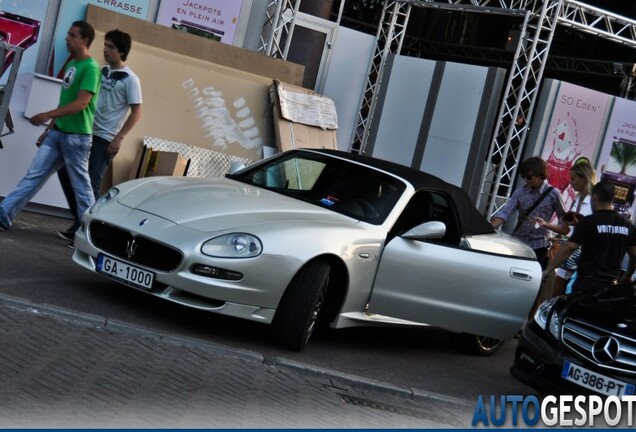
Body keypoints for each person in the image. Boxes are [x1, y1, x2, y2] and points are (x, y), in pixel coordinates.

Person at [0, 21, 101, 236]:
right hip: (58, 134)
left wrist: (47, 116)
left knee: (82, 189)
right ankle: (4, 214)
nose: (67, 38)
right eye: (68, 34)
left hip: (77, 138)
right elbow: (66, 102)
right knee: (33, 176)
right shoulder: (73, 65)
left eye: (73, 35)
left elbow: (82, 103)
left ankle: (91, 233)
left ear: (85, 40)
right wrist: (49, 129)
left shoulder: (91, 68)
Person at [57, 29, 142, 240]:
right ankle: (80, 222)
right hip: (84, 131)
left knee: (91, 182)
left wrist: (119, 137)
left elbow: (137, 112)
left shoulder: (131, 79)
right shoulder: (101, 71)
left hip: (105, 137)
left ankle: (91, 233)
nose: (106, 50)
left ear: (122, 52)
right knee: (65, 173)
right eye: (105, 45)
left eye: (111, 47)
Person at [543, 181, 636, 294]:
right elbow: (634, 255)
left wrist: (548, 270)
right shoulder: (627, 225)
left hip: (586, 284)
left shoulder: (589, 222)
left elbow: (569, 248)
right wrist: (628, 275)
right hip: (609, 286)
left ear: (595, 198)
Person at [534, 158, 597, 296]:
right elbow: (566, 228)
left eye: (573, 179)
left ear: (584, 179)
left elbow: (595, 229)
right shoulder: (577, 199)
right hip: (570, 252)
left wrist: (578, 225)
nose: (570, 182)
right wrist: (546, 224)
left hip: (586, 256)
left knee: (574, 295)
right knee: (556, 293)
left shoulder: (594, 201)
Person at [490, 156, 566, 269]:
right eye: (523, 176)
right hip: (519, 242)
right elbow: (505, 213)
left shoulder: (553, 194)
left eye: (529, 177)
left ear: (540, 175)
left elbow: (562, 219)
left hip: (541, 245)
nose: (526, 179)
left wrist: (558, 238)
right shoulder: (520, 192)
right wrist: (488, 227)